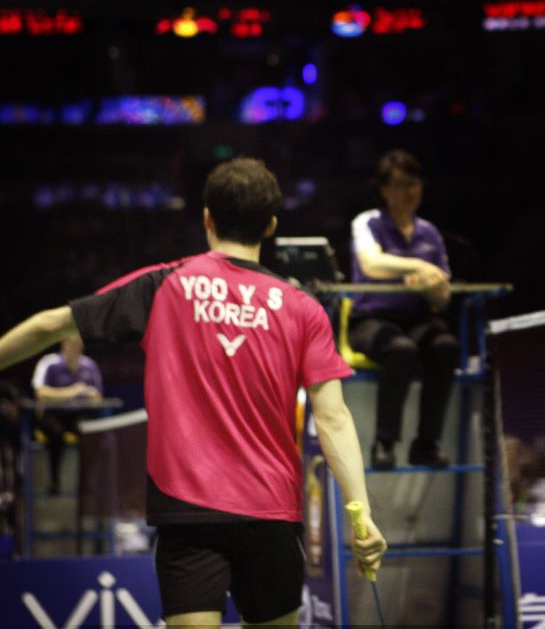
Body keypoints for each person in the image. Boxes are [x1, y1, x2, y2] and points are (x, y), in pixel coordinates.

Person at [0, 158, 386, 627]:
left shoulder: (165, 285)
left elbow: (49, 325)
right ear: (270, 226)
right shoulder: (303, 307)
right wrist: (361, 514)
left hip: (188, 515)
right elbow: (333, 418)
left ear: (206, 217)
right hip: (271, 514)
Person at [349, 150, 459, 470]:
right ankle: (384, 442)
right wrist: (418, 266)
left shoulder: (430, 233)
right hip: (371, 320)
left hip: (419, 319)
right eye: (399, 185)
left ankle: (426, 444)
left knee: (446, 346)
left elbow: (444, 298)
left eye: (414, 184)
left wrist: (428, 287)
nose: (408, 192)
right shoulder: (367, 222)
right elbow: (371, 264)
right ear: (383, 190)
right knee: (402, 349)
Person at [32, 334, 103, 493]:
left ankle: (86, 481)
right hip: (53, 415)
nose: (76, 346)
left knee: (90, 433)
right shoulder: (49, 362)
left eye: (79, 343)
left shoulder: (89, 365)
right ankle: (54, 481)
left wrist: (91, 396)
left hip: (78, 415)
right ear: (64, 343)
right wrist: (73, 391)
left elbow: (98, 397)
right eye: (72, 343)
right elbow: (41, 393)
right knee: (56, 433)